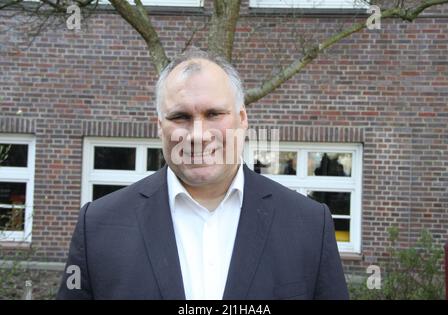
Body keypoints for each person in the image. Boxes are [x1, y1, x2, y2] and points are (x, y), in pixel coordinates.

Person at [57, 48, 348, 300]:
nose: (198, 135)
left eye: (213, 114)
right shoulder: (98, 226)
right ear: (160, 126)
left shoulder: (310, 225)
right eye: (180, 117)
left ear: (242, 118)